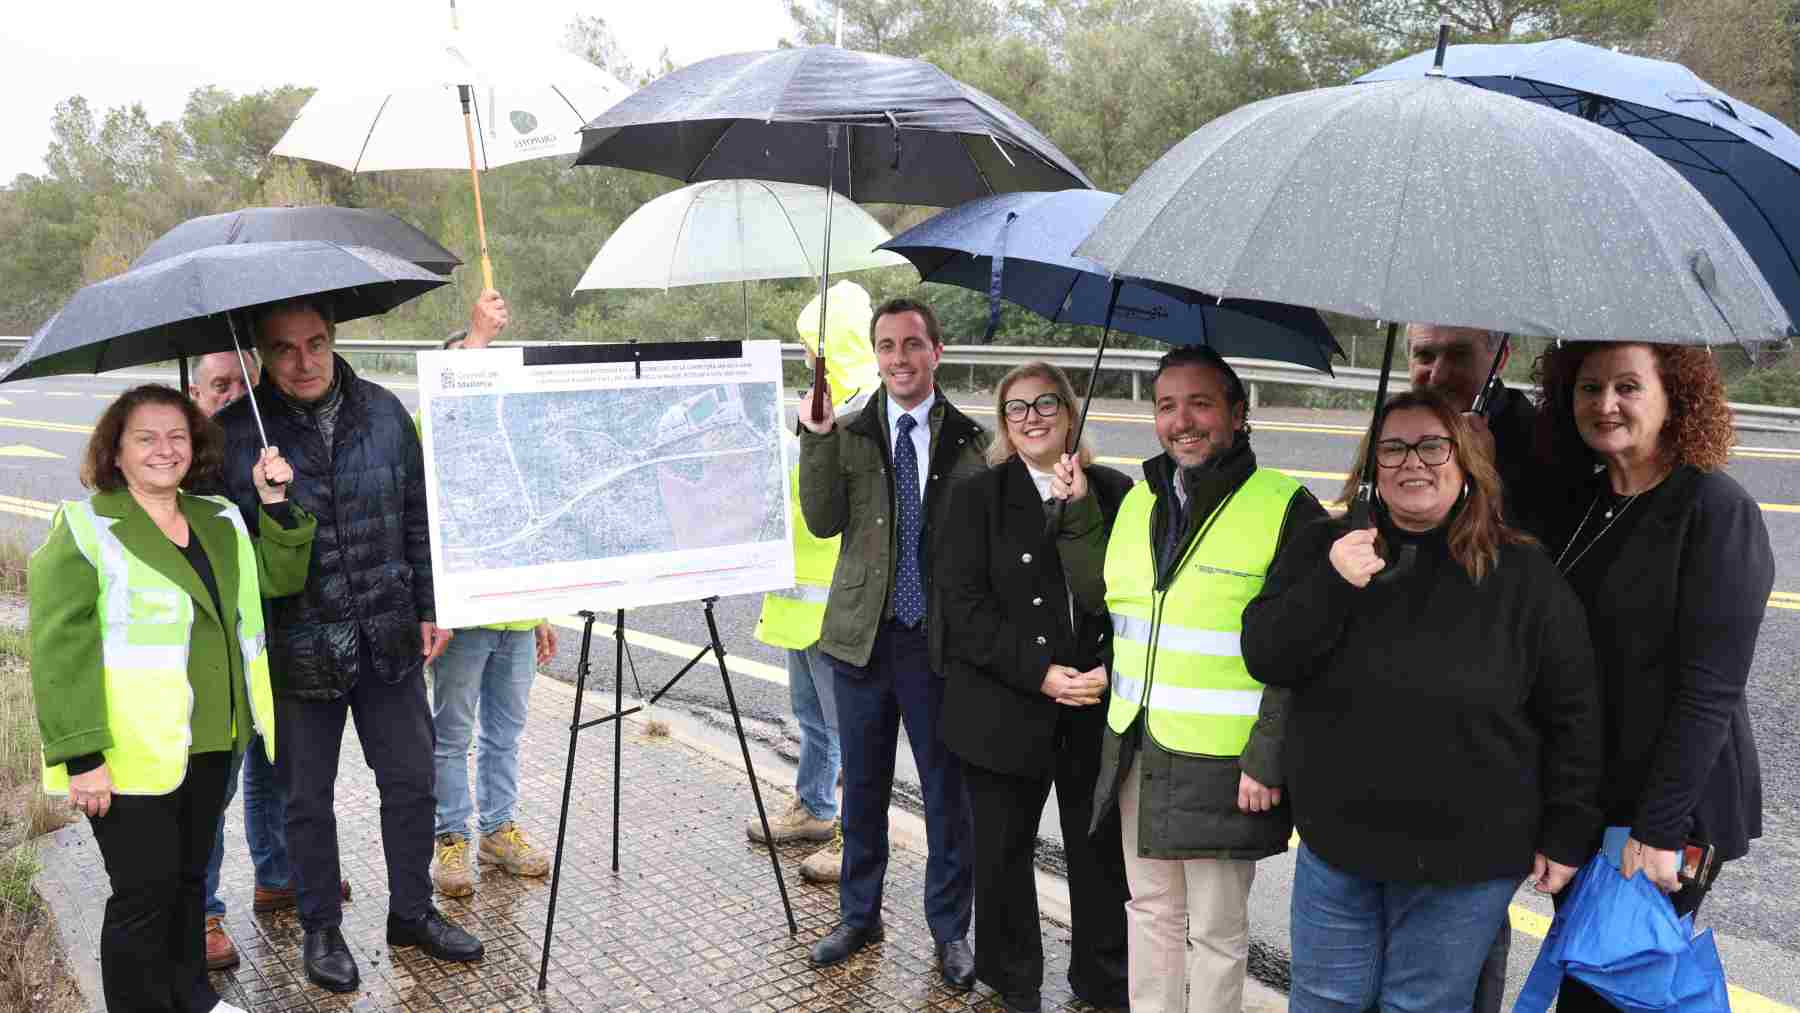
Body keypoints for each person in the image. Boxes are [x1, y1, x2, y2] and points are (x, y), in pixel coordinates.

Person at [1240, 389, 1603, 1011]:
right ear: (1372, 467)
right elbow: (1268, 657)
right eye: (1394, 447)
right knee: (1325, 997)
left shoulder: (1521, 574)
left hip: (1469, 856)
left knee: (1422, 1006)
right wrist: (1332, 582)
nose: (1414, 462)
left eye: (1433, 446)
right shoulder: (1327, 549)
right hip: (1341, 844)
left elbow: (1573, 712)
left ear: (1464, 463)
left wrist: (1568, 829)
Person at [214, 296, 482, 993]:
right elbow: (221, 555)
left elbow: (419, 515)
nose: (304, 361)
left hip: (388, 636)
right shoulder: (236, 436)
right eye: (284, 348)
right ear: (261, 353)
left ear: (333, 340)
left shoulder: (386, 413)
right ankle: (321, 927)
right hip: (297, 648)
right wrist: (257, 498)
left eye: (316, 342)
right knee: (305, 797)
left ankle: (411, 910)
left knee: (412, 781)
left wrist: (432, 605)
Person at [29, 384, 314, 1013]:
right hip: (129, 753)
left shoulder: (218, 517)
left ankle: (193, 997)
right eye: (146, 437)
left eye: (178, 435)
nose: (165, 449)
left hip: (214, 735)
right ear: (116, 451)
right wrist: (82, 756)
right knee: (143, 893)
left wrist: (274, 502)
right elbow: (58, 648)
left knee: (190, 881)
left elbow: (276, 580)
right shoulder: (86, 526)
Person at [1532, 342, 1771, 1011]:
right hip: (1593, 794)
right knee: (1592, 973)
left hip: (1669, 806)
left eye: (1628, 387)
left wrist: (1659, 830)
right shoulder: (1582, 500)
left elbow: (1711, 691)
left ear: (1675, 397)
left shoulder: (1716, 512)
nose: (1605, 404)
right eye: (1588, 387)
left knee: (1611, 990)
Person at [1088, 346, 1323, 1013]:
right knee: (1151, 910)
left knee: (1216, 931)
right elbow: (1114, 607)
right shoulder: (1139, 501)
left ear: (1238, 413)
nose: (1182, 420)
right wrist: (1075, 510)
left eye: (1201, 403)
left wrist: (1267, 755)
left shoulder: (1284, 507)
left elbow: (1300, 652)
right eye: (1167, 405)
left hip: (1225, 761)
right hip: (1140, 746)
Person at [796, 297, 987, 989]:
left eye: (912, 344)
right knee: (865, 786)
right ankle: (858, 914)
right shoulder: (848, 432)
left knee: (945, 794)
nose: (899, 358)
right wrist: (814, 436)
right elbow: (821, 521)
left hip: (936, 647)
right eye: (886, 345)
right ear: (875, 355)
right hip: (861, 640)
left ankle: (950, 932)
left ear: (937, 351)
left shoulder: (971, 439)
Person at [939, 362, 1133, 1013]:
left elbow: (1132, 597)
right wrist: (1040, 672)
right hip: (1004, 706)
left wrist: (1111, 668)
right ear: (1003, 422)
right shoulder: (976, 496)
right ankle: (1013, 979)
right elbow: (963, 611)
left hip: (1091, 707)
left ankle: (1103, 980)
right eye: (1016, 407)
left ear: (1070, 411)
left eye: (1045, 402)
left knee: (1099, 857)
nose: (1031, 417)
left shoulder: (1113, 489)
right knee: (1003, 854)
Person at [189, 349, 353, 971]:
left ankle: (278, 875)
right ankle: (202, 912)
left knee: (271, 764)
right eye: (219, 385)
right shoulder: (185, 463)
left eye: (244, 382)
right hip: (214, 660)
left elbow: (283, 565)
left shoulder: (270, 445)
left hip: (272, 643)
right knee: (214, 787)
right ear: (194, 390)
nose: (234, 395)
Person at [1405, 321, 1536, 1007]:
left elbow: (1532, 574)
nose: (1434, 370)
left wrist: (1485, 480)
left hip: (1490, 731)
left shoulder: (1537, 441)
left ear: (1500, 356)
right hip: (1403, 728)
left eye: (1455, 355)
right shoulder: (1398, 425)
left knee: (1469, 926)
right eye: (1423, 354)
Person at [426, 289, 559, 896]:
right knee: (452, 731)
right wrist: (476, 341)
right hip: (463, 613)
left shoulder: (510, 433)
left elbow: (527, 524)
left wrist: (539, 613)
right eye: (467, 369)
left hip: (515, 617)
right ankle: (450, 839)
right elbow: (454, 417)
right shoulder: (438, 423)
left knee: (505, 731)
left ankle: (498, 829)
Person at [745, 323, 881, 883]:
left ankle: (855, 831)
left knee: (848, 725)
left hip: (838, 601)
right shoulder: (820, 405)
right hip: (800, 595)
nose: (804, 353)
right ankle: (814, 808)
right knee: (811, 717)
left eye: (810, 343)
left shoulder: (867, 409)